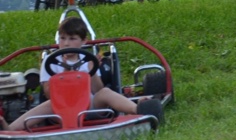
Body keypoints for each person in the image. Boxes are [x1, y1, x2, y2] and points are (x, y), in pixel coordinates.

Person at [1, 17, 141, 131]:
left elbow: (97, 90)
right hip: (60, 107)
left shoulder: (87, 60)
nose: (66, 43)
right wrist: (65, 72)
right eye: (63, 38)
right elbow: (49, 94)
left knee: (105, 92)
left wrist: (92, 71)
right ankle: (10, 128)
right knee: (49, 104)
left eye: (72, 39)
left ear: (83, 41)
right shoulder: (51, 62)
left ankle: (139, 109)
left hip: (89, 106)